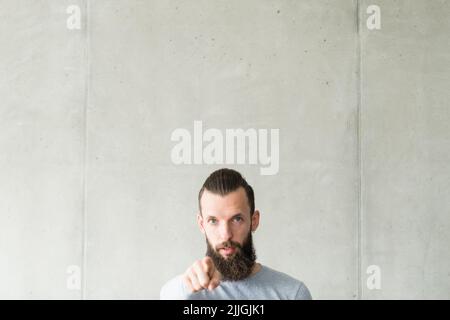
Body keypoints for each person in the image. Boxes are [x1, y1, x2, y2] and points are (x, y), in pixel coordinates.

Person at [160, 168, 312, 300]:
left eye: (237, 219)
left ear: (254, 220)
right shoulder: (177, 293)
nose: (226, 235)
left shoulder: (292, 294)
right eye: (213, 221)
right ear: (202, 224)